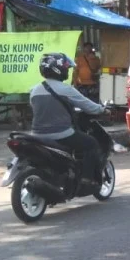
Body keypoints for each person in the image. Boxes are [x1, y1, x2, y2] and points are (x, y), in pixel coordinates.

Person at [29, 52, 105, 185]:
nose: (67, 71)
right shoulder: (65, 89)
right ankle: (86, 179)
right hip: (61, 134)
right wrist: (103, 109)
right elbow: (89, 106)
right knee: (91, 143)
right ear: (59, 70)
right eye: (66, 68)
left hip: (37, 135)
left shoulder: (34, 90)